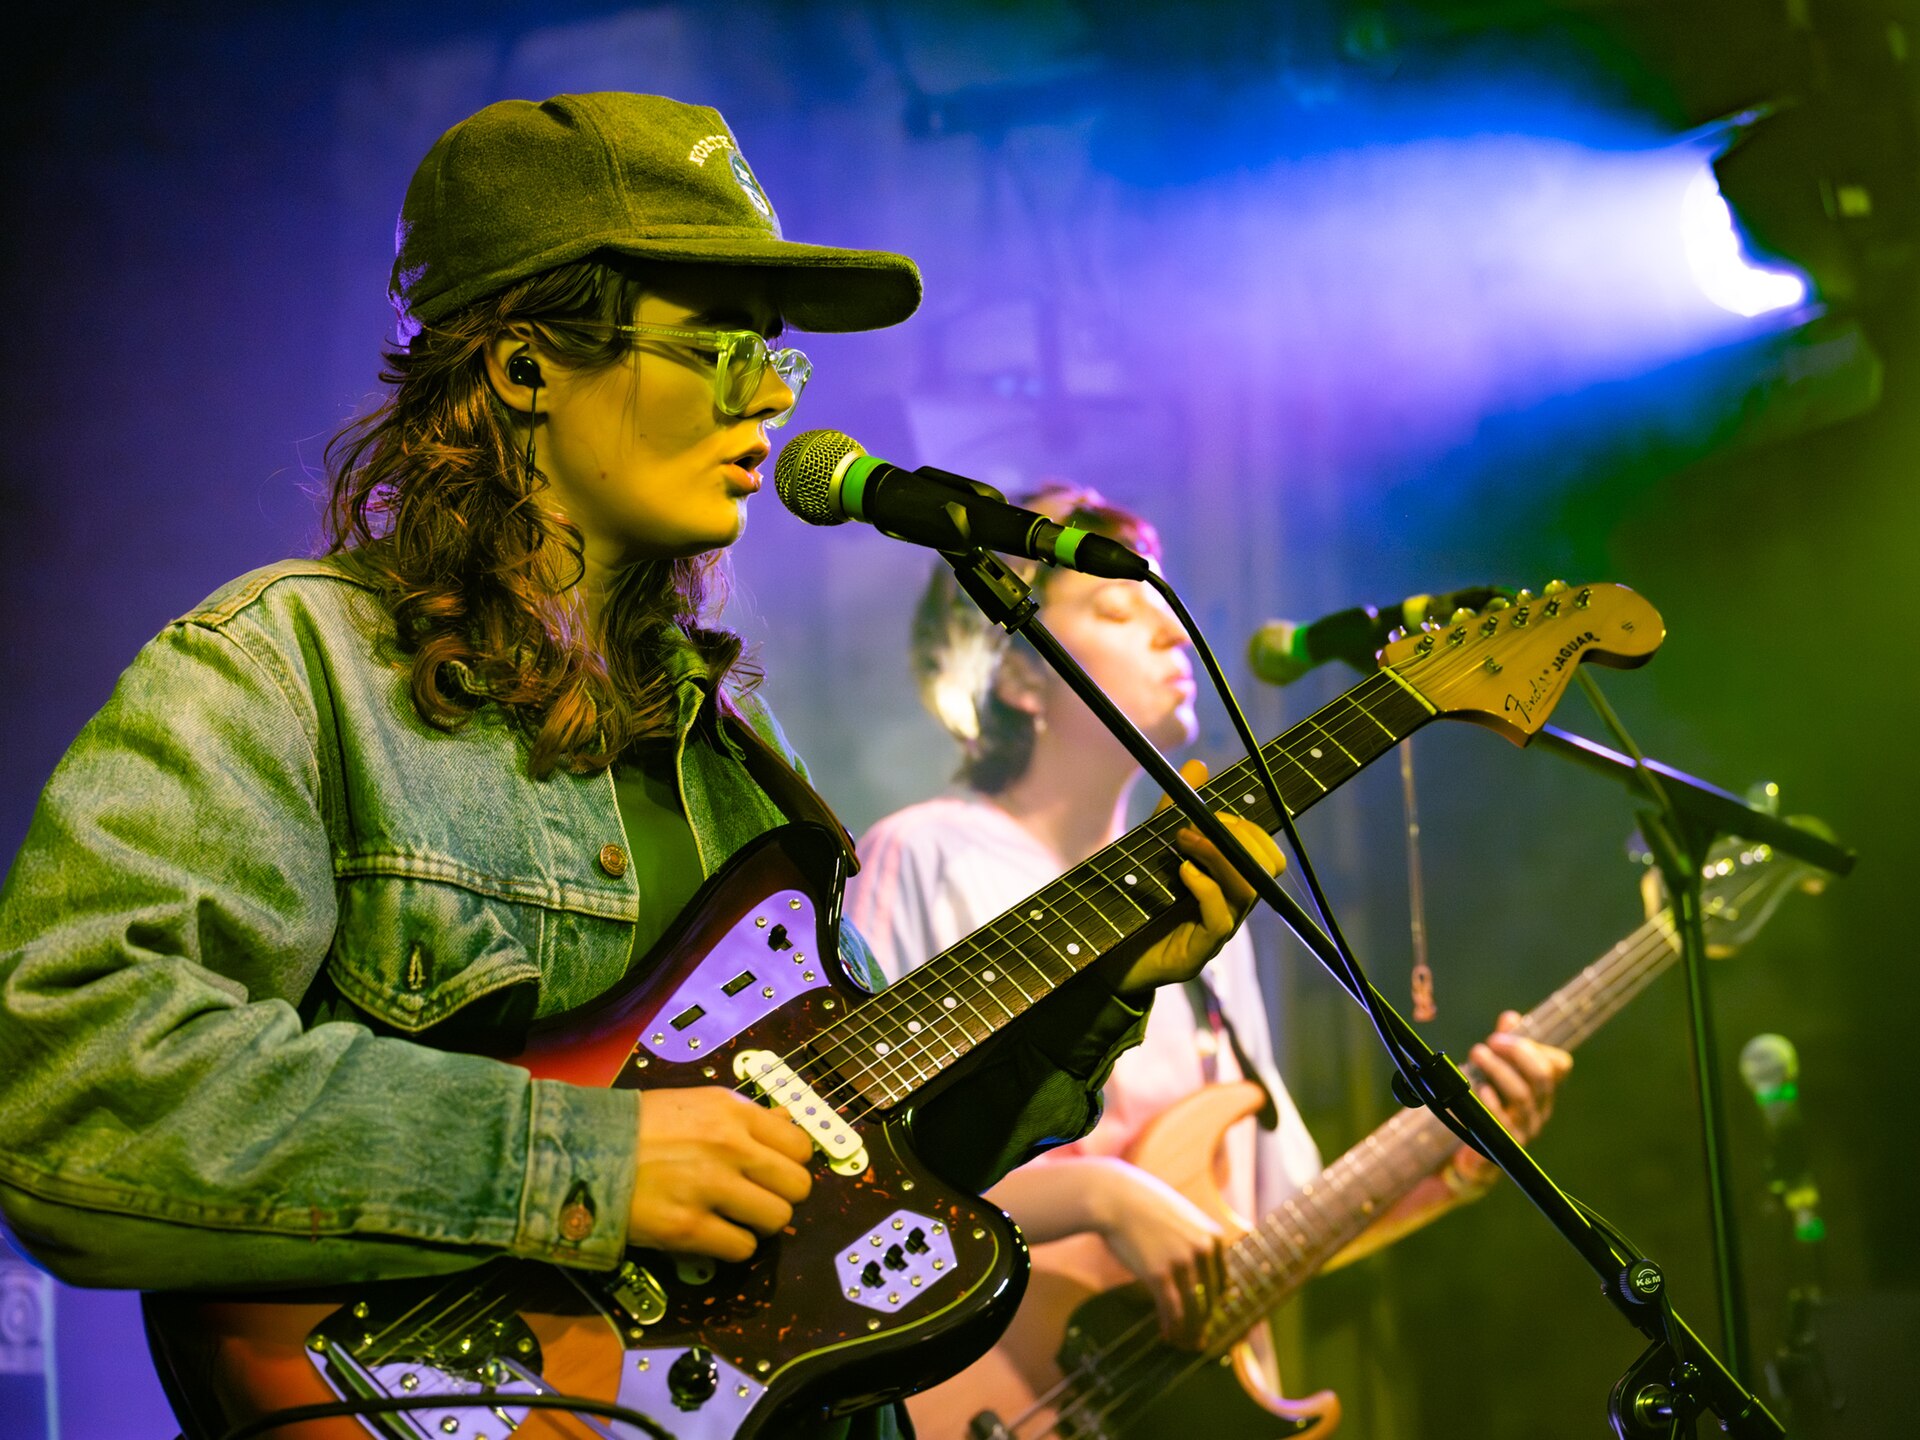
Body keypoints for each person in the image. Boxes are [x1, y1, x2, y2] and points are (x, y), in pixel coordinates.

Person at [0, 95, 1281, 1440]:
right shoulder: (284, 673)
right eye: (720, 354)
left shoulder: (734, 747)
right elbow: (72, 1093)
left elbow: (853, 1172)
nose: (772, 406)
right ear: (523, 367)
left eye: (777, 366)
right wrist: (585, 1164)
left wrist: (1099, 990)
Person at [846, 485, 1574, 1387]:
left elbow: (1269, 1227)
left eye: (1167, 608)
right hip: (992, 1388)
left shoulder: (1196, 897)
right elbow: (858, 1172)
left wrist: (1453, 1161)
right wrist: (1101, 1194)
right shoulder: (922, 854)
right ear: (1019, 675)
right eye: (1117, 607)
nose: (1173, 635)